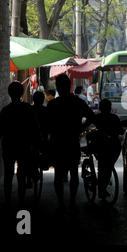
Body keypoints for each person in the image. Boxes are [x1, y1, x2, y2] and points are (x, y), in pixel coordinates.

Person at [47, 74, 96, 213]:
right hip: (72, 141)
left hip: (57, 142)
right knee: (74, 171)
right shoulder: (78, 102)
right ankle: (72, 202)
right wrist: (80, 128)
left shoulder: (53, 104)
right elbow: (91, 117)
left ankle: (61, 203)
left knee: (58, 173)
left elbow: (46, 124)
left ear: (57, 87)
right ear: (70, 86)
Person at [0, 81, 41, 208]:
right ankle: (20, 201)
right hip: (24, 145)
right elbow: (36, 128)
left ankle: (7, 201)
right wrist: (37, 144)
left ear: (9, 93)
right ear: (22, 93)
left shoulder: (5, 110)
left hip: (8, 145)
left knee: (8, 174)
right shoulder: (27, 108)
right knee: (22, 175)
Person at [91, 99, 123, 200]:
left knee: (102, 166)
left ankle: (101, 187)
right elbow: (121, 131)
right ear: (110, 108)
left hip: (101, 146)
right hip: (114, 147)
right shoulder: (114, 118)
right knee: (108, 166)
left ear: (100, 108)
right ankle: (103, 187)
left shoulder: (97, 118)